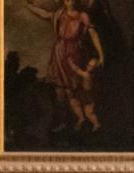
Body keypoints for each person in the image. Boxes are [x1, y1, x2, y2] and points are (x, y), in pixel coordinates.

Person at [28, 0, 105, 133]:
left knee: (74, 88)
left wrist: (101, 54)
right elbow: (45, 14)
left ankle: (82, 119)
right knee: (60, 90)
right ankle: (67, 121)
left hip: (75, 54)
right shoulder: (60, 14)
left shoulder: (82, 16)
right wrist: (29, 6)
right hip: (59, 54)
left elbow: (93, 34)